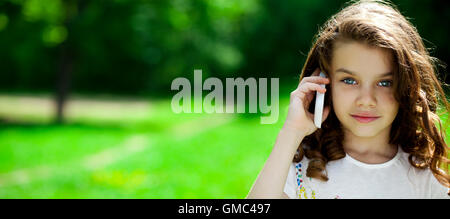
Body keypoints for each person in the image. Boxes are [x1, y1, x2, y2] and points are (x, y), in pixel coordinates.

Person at [247, 0, 450, 199]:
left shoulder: (425, 178)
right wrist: (291, 133)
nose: (366, 100)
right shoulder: (301, 168)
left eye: (385, 83)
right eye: (350, 80)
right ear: (324, 83)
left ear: (407, 87)